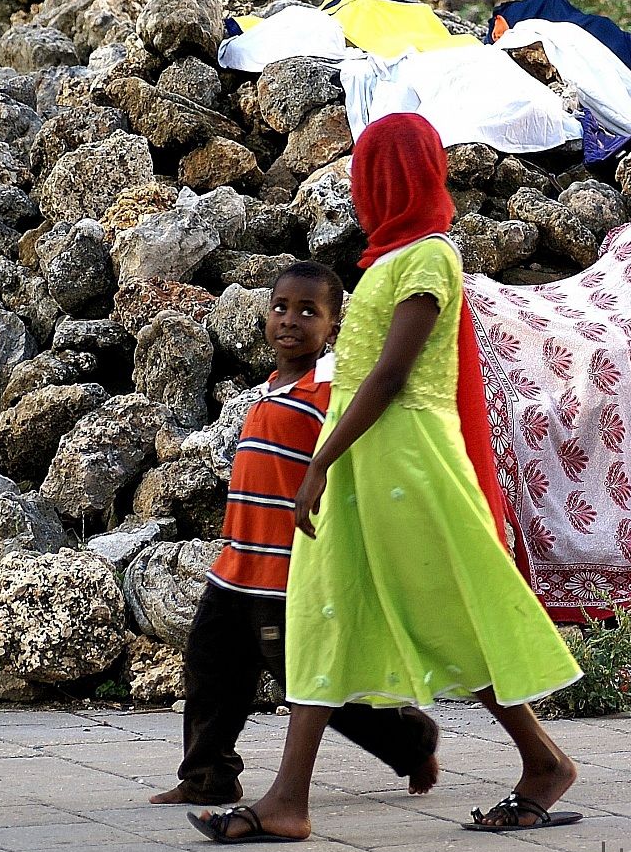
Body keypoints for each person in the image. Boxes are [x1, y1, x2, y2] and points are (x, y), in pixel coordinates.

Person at [190, 114, 583, 844]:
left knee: (447, 614)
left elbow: (391, 375)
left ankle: (543, 760)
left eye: (367, 172)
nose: (358, 187)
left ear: (389, 177)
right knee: (324, 608)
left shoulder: (429, 257)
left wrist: (319, 462)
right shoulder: (389, 259)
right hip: (367, 461)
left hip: (405, 461)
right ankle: (287, 800)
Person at [152, 260, 439, 807]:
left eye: (309, 311)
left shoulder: (330, 389)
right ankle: (207, 774)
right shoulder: (271, 385)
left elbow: (361, 449)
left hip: (288, 568)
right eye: (281, 307)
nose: (290, 320)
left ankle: (410, 741)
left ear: (333, 326)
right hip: (236, 563)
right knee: (211, 667)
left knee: (305, 682)